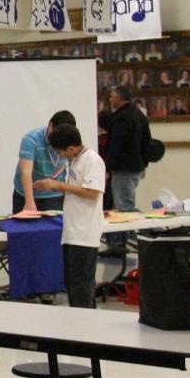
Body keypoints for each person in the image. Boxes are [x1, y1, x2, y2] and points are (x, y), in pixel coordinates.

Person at [35, 125, 105, 309]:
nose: (59, 155)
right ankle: (77, 319)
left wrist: (58, 186)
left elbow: (92, 193)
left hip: (85, 232)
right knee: (72, 282)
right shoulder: (74, 160)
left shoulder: (92, 161)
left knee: (81, 283)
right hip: (72, 231)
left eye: (60, 151)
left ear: (71, 148)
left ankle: (85, 321)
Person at [99, 86, 149, 253]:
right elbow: (147, 142)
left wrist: (108, 169)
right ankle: (117, 244)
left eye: (112, 97)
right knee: (120, 206)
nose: (110, 100)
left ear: (119, 99)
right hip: (136, 167)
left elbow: (115, 146)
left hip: (123, 169)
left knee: (125, 207)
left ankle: (151, 230)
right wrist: (144, 164)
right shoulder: (139, 115)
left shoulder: (122, 119)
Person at [14, 110, 76, 214]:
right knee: (24, 223)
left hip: (54, 195)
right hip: (26, 193)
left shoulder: (70, 141)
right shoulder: (31, 139)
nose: (59, 139)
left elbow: (74, 170)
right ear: (50, 125)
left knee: (53, 224)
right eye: (57, 134)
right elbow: (25, 172)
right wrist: (29, 201)